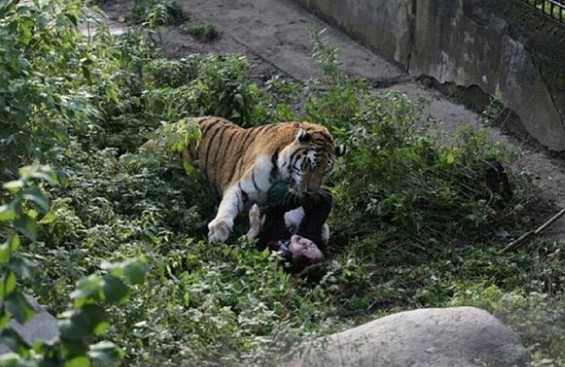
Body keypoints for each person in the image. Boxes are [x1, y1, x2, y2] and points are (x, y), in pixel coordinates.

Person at [245, 181, 333, 273]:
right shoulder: (308, 235)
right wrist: (285, 207)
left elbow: (240, 255)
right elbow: (324, 197)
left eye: (304, 250)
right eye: (312, 245)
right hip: (272, 198)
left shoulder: (270, 256)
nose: (305, 243)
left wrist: (254, 230)